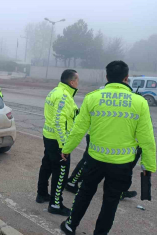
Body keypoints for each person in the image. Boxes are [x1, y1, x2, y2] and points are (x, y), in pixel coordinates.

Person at [60, 61, 156, 235]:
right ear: (126, 79)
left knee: (84, 193)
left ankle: (70, 225)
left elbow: (78, 129)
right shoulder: (139, 102)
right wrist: (148, 166)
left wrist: (66, 149)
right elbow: (147, 140)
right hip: (122, 165)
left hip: (94, 160)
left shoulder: (93, 97)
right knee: (110, 202)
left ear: (107, 77)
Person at [36, 69, 79, 216]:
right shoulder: (64, 96)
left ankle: (41, 194)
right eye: (77, 80)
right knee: (61, 172)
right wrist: (64, 146)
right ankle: (55, 204)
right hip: (57, 140)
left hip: (49, 136)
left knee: (47, 165)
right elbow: (59, 122)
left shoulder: (55, 91)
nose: (78, 83)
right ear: (72, 82)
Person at [65, 132, 138, 200]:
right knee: (89, 161)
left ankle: (72, 181)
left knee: (89, 161)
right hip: (103, 136)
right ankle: (72, 182)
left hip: (104, 135)